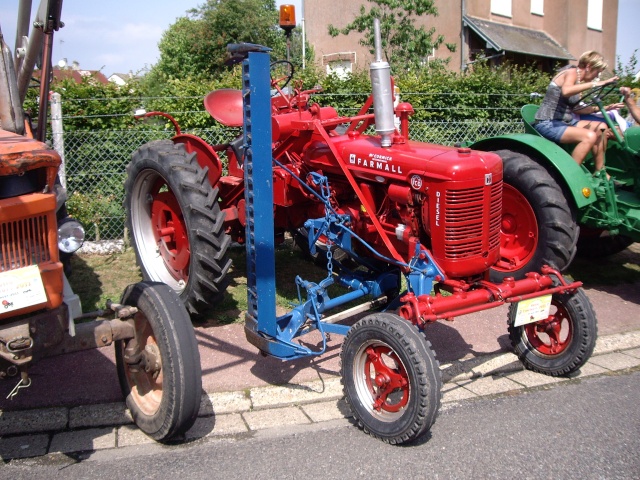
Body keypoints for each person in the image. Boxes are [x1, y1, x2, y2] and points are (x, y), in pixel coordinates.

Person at [534, 51, 619, 177]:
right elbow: (566, 91)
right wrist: (595, 84)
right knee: (589, 136)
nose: (598, 76)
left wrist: (606, 107)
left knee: (600, 127)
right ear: (589, 66)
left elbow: (578, 109)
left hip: (564, 122)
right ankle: (569, 176)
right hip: (548, 122)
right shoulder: (571, 72)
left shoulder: (578, 81)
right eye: (597, 71)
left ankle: (600, 171)